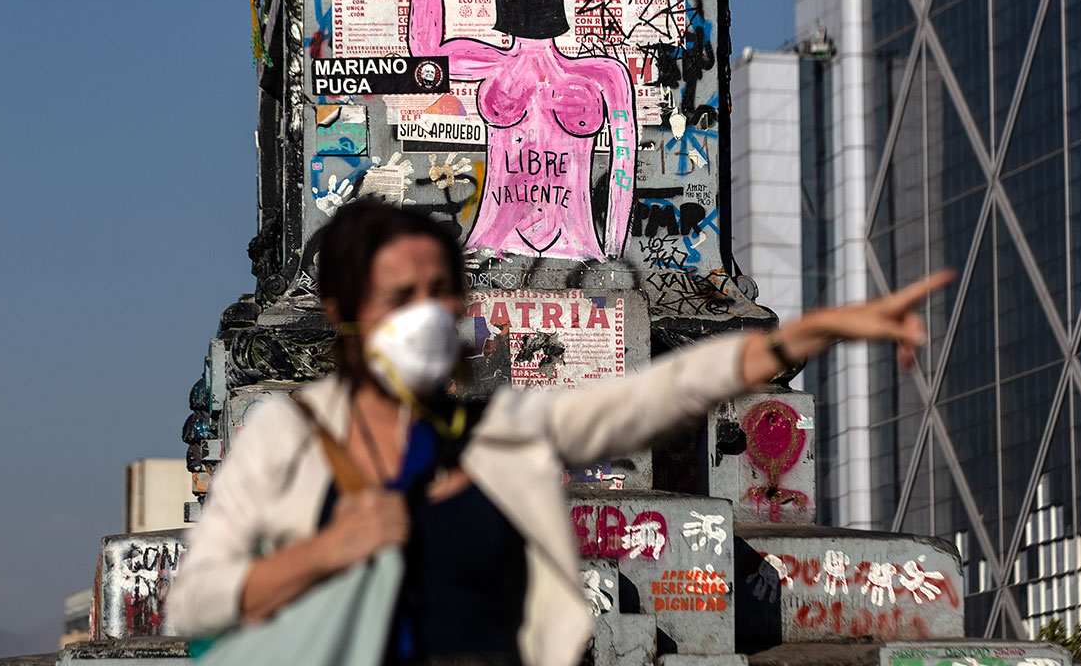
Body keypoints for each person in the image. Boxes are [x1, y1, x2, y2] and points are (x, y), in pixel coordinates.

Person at [169, 199, 951, 666]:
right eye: (396, 295)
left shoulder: (508, 431)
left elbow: (661, 393)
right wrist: (325, 552)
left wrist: (812, 334)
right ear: (345, 312)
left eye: (439, 290)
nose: (424, 313)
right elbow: (199, 605)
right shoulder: (287, 443)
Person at [407, 0, 636, 262]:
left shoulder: (605, 75)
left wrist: (616, 254)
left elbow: (624, 164)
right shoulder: (491, 64)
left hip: (579, 248)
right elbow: (426, 52)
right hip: (492, 246)